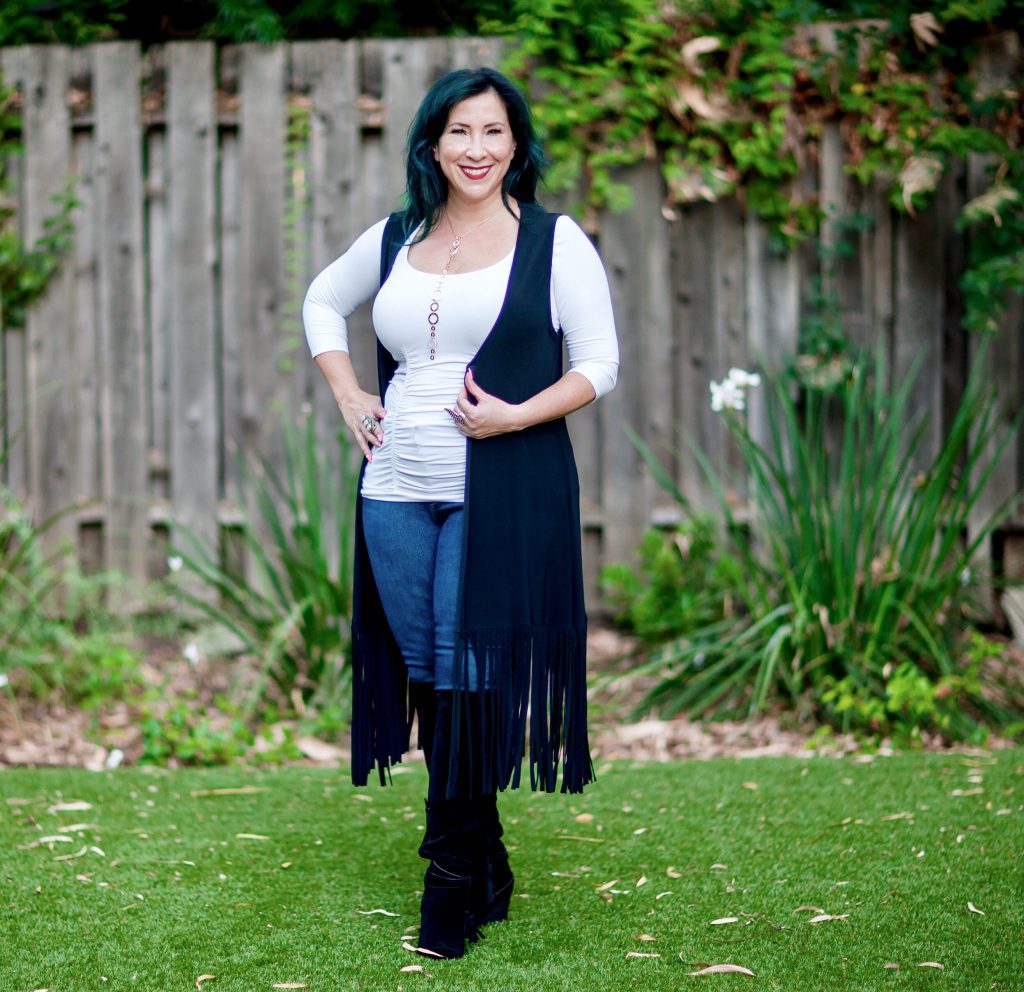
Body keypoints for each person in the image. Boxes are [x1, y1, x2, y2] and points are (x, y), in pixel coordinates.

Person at [302, 66, 619, 960]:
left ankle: (447, 880)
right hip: (394, 486)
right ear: (432, 145)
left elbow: (599, 363)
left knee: (468, 666)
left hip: (498, 486)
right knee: (434, 676)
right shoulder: (398, 233)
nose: (475, 150)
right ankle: (487, 857)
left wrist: (514, 415)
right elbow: (323, 302)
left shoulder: (556, 244)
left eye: (492, 132)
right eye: (458, 134)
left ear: (516, 144)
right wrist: (348, 390)